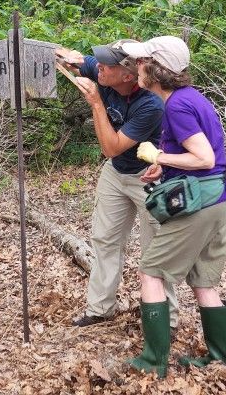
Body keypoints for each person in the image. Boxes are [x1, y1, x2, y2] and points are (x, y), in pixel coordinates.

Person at [121, 36, 226, 378]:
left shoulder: (177, 106)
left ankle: (154, 360)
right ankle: (220, 357)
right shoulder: (191, 98)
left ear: (156, 69)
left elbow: (204, 157)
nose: (136, 68)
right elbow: (204, 155)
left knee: (151, 271)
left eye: (141, 63)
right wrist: (165, 167)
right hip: (218, 198)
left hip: (199, 202)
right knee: (203, 281)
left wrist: (158, 155)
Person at [56, 40, 179, 329]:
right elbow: (73, 58)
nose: (98, 66)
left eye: (106, 64)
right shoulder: (103, 73)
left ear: (127, 75)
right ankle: (100, 309)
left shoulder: (150, 105)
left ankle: (167, 319)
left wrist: (97, 103)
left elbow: (111, 147)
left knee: (156, 248)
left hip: (149, 175)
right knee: (104, 239)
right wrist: (53, 52)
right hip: (116, 172)